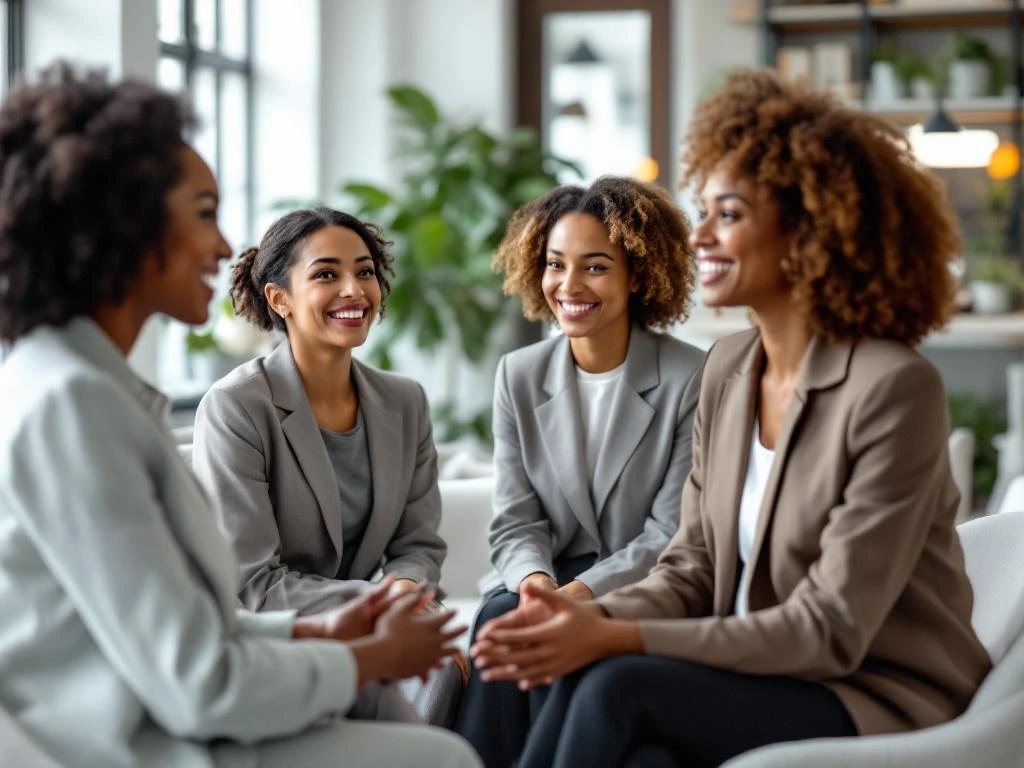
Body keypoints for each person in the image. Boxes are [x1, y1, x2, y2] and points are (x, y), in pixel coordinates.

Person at [470, 69, 993, 768]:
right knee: (579, 673)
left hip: (870, 687)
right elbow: (691, 566)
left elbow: (830, 628)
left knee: (614, 686)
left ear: (807, 229)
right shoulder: (729, 369)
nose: (700, 237)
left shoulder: (893, 388)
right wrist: (582, 616)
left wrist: (615, 635)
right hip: (752, 667)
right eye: (704, 211)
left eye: (730, 214)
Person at [0, 63, 480, 768]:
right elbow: (202, 676)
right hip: (139, 743)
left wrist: (327, 633)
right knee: (442, 760)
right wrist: (363, 656)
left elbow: (190, 627)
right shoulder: (75, 405)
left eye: (364, 271)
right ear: (124, 223)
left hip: (163, 711)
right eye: (203, 214)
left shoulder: (76, 385)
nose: (224, 247)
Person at [455, 176, 705, 766]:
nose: (569, 286)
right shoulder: (518, 374)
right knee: (501, 614)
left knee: (540, 628)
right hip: (548, 576)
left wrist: (577, 595)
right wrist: (537, 585)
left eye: (595, 267)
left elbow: (670, 532)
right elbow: (515, 519)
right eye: (555, 264)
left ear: (636, 275)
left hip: (642, 584)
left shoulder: (691, 377)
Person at [191, 206, 465, 727]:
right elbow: (252, 583)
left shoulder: (405, 401)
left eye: (365, 272)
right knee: (439, 667)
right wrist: (385, 604)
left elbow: (418, 546)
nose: (354, 290)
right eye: (326, 275)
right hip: (279, 641)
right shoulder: (236, 407)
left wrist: (406, 589)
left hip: (369, 629)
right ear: (280, 299)